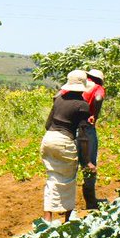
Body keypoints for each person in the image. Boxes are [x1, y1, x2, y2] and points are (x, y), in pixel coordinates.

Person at [40, 70, 92, 224]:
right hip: (63, 140)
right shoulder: (83, 105)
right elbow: (83, 137)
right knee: (68, 180)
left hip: (48, 139)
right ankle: (68, 220)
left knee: (52, 178)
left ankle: (47, 219)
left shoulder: (58, 98)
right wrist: (87, 161)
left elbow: (47, 124)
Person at [79, 68, 106, 209]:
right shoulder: (98, 88)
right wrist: (94, 115)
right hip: (87, 127)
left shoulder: (79, 86)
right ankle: (91, 202)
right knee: (89, 163)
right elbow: (98, 98)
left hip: (72, 127)